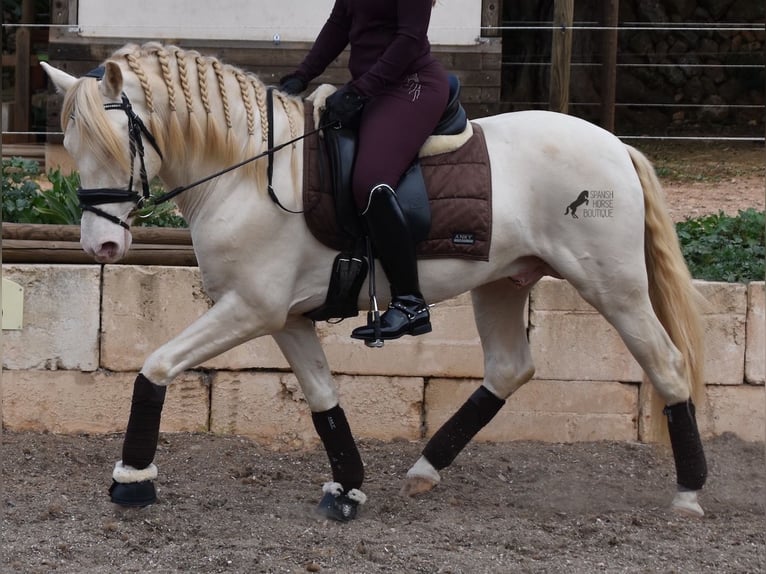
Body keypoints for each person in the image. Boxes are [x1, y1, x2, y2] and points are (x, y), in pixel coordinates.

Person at [280, 0, 449, 342]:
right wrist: (301, 75)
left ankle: (409, 302)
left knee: (370, 181)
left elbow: (410, 38)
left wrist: (360, 90)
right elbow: (338, 25)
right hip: (372, 86)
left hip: (410, 86)